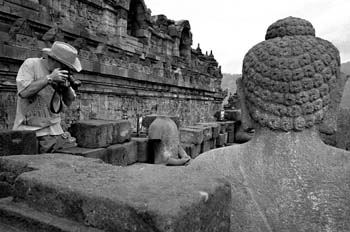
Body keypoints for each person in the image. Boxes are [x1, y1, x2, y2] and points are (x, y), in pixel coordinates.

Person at [13, 41, 82, 153]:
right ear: (52, 59)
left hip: (54, 132)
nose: (65, 69)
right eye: (64, 65)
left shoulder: (62, 75)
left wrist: (66, 87)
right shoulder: (31, 64)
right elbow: (24, 92)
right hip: (29, 131)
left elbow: (68, 102)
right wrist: (49, 78)